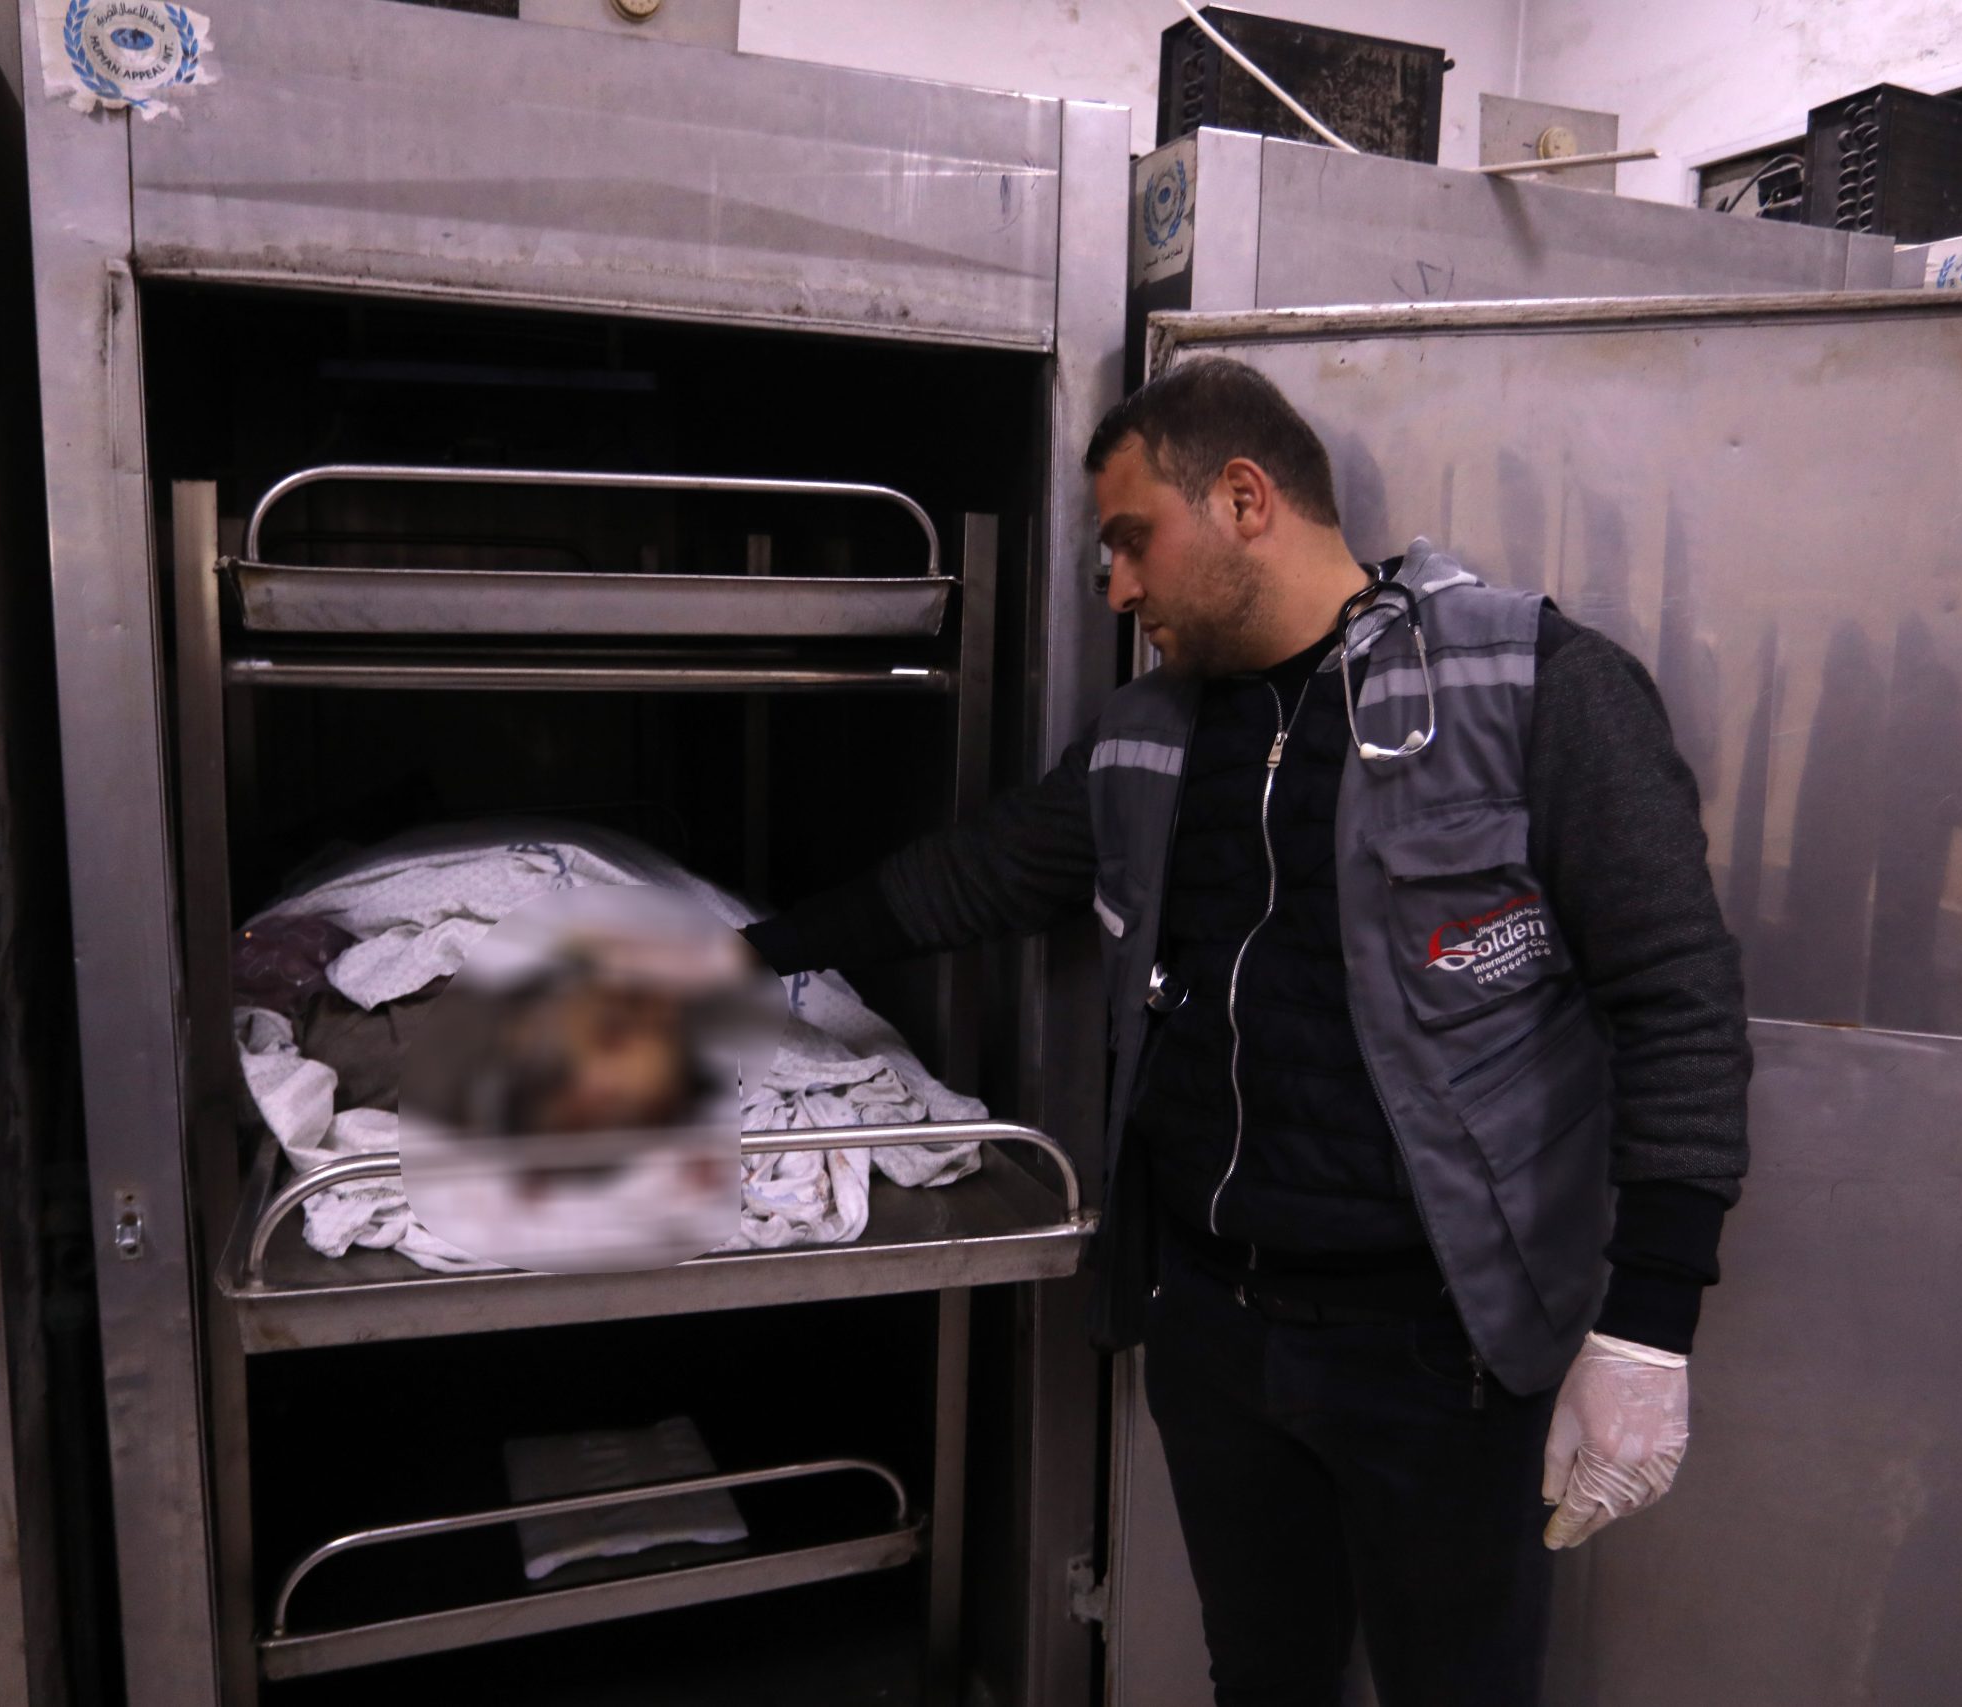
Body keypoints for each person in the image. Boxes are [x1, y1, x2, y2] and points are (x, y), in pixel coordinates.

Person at [743, 358, 1750, 1707]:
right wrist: (734, 954)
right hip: (1217, 1328)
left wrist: (1649, 1328)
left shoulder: (1533, 686)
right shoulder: (1148, 737)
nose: (1117, 589)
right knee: (1264, 1681)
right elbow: (974, 878)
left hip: (1442, 1347)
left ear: (1242, 497)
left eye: (1130, 541)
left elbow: (1677, 997)